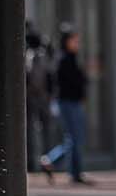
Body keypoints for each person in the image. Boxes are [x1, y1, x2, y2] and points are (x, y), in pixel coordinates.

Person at [41, 24, 93, 185]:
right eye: (74, 40)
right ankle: (73, 172)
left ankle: (52, 161)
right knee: (73, 138)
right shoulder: (63, 59)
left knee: (74, 138)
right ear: (66, 41)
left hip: (71, 102)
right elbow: (70, 81)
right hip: (67, 102)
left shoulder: (71, 58)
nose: (77, 43)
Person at [26, 22, 53, 173]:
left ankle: (38, 162)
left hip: (34, 97)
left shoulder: (32, 55)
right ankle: (43, 161)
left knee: (32, 130)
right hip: (41, 98)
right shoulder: (43, 55)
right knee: (41, 131)